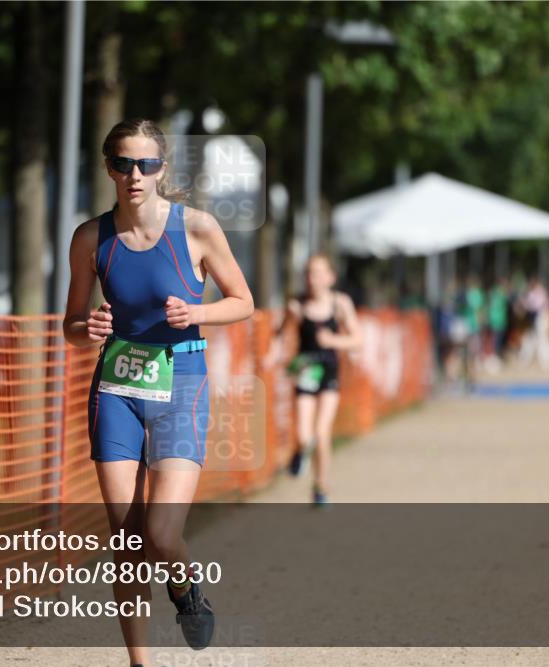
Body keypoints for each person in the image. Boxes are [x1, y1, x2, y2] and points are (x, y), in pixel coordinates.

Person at [62, 118, 254, 667]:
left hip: (182, 381)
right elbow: (71, 325)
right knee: (127, 541)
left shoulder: (196, 228)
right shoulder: (89, 238)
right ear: (109, 169)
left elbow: (243, 301)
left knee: (162, 535)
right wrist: (86, 329)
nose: (135, 175)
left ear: (163, 169)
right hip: (117, 387)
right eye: (124, 164)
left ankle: (184, 587)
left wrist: (197, 312)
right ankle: (139, 662)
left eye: (146, 164)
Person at [269, 254, 362, 505]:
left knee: (322, 433)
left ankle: (321, 487)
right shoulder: (297, 305)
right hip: (305, 371)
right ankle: (300, 452)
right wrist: (274, 354)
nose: (313, 279)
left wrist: (333, 341)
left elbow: (357, 339)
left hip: (330, 372)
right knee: (303, 435)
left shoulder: (340, 304)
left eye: (319, 273)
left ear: (331, 277)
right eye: (309, 273)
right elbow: (279, 333)